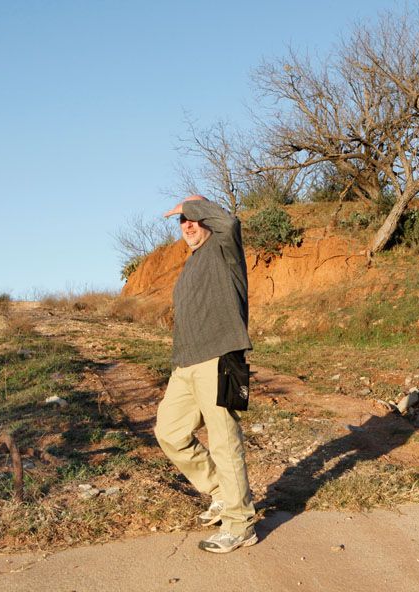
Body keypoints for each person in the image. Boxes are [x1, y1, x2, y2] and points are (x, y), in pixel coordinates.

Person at [153, 194, 257, 553]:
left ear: (206, 220)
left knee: (224, 441)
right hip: (186, 364)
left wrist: (193, 204)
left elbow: (229, 222)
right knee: (169, 432)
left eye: (194, 220)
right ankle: (219, 492)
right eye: (183, 222)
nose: (188, 226)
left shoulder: (224, 248)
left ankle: (240, 523)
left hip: (218, 358)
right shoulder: (193, 263)